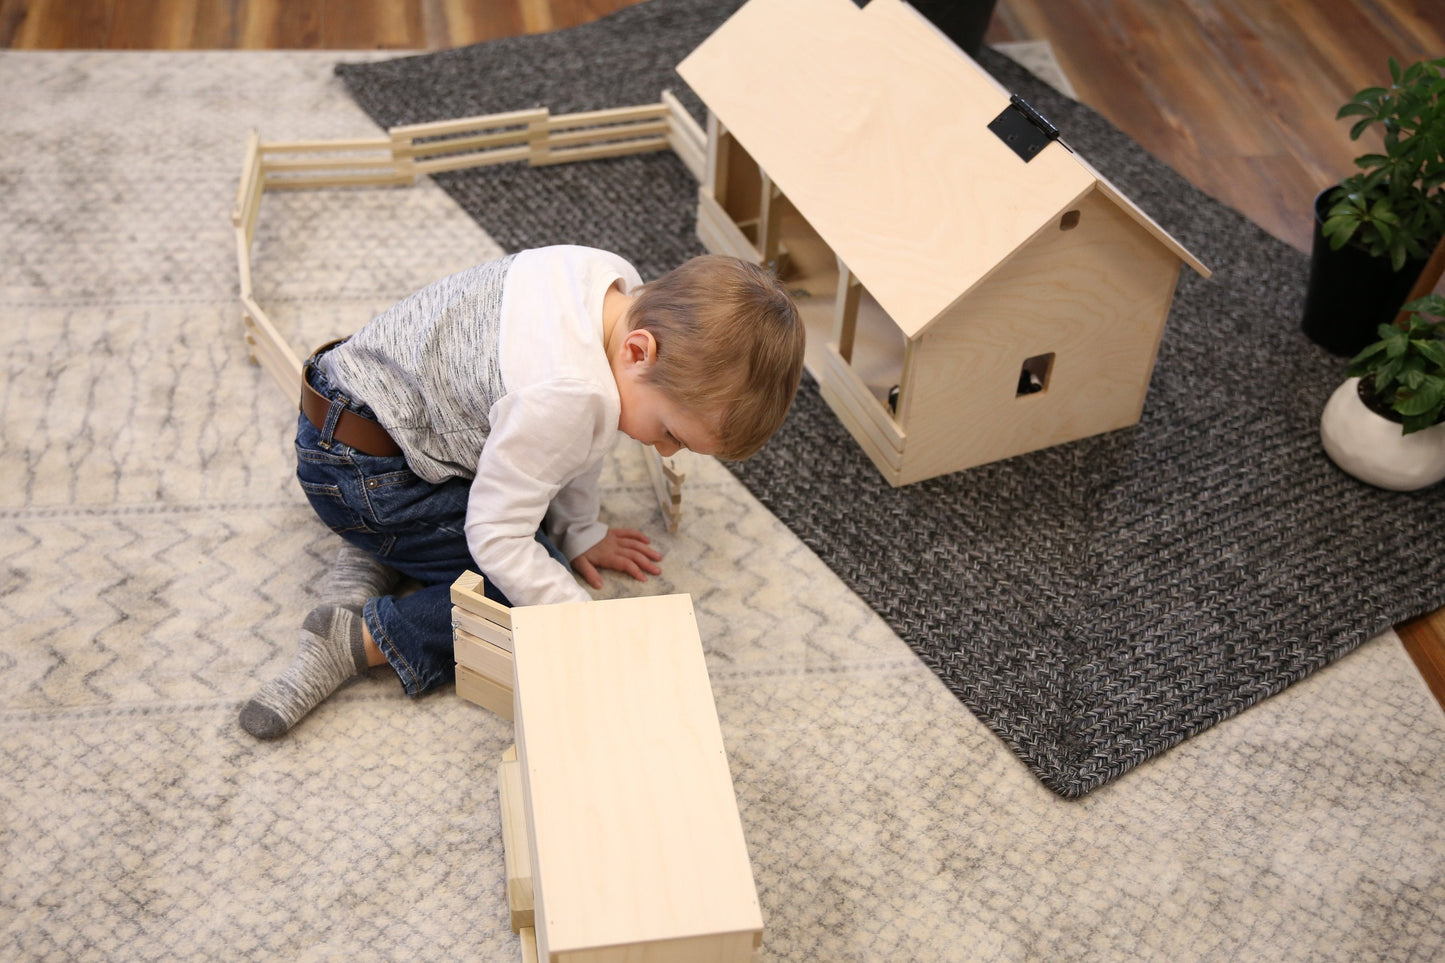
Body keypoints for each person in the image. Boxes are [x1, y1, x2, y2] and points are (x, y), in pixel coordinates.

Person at [239, 245, 805, 738]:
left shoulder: (608, 281)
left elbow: (580, 439)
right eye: (671, 433)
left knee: (531, 516)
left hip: (354, 410)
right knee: (524, 592)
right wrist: (575, 622)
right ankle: (358, 637)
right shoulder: (569, 395)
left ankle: (379, 550)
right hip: (362, 476)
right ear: (638, 351)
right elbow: (501, 532)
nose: (664, 452)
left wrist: (581, 528)